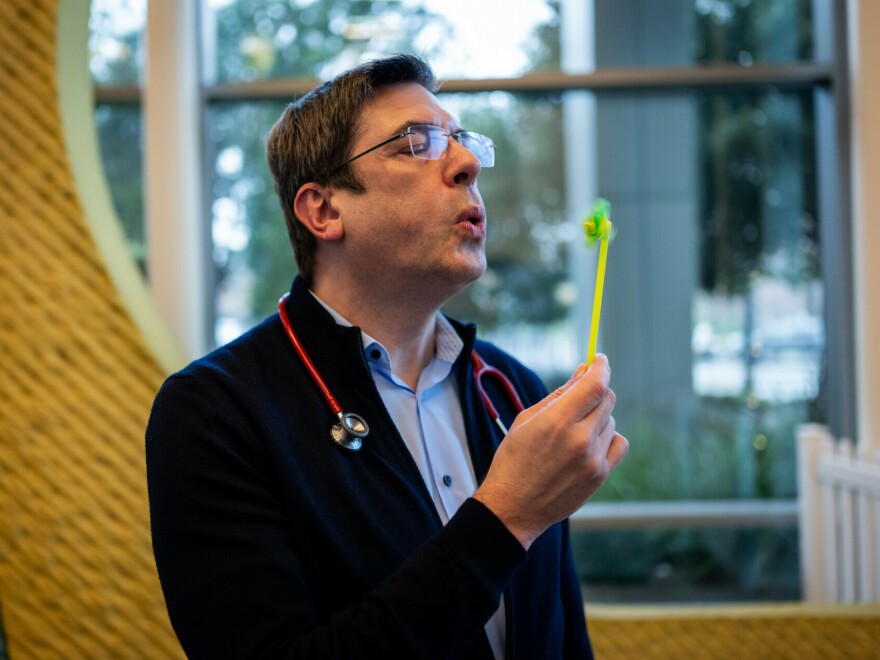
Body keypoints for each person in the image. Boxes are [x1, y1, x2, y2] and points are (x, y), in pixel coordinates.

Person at [146, 53, 628, 659]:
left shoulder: (511, 388)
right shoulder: (215, 412)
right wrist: (507, 517)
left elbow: (562, 639)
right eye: (417, 143)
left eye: (462, 141)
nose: (468, 163)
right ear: (323, 210)